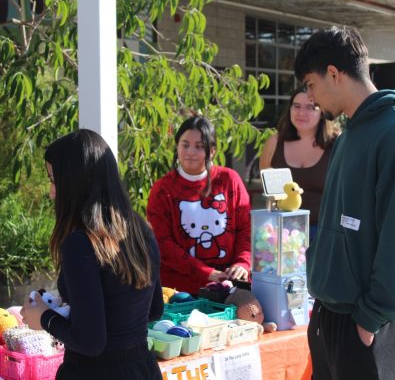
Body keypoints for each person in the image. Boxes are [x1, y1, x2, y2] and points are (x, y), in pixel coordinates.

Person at [294, 26, 395, 380]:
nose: (310, 98)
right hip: (332, 315)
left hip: (369, 323)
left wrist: (370, 320)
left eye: (311, 85)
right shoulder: (349, 136)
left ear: (333, 73)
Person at [21, 129, 163, 380]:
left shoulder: (80, 243)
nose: (52, 192)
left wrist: (43, 318)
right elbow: (153, 310)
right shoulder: (142, 230)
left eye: (54, 180)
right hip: (142, 368)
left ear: (75, 182)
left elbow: (90, 341)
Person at [146, 115, 251, 295]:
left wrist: (242, 263)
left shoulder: (230, 179)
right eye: (185, 145)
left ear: (212, 151)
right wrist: (207, 273)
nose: (190, 152)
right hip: (179, 290)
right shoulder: (162, 189)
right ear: (177, 146)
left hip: (230, 286)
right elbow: (162, 244)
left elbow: (246, 228)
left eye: (199, 146)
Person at [259, 84, 339, 238]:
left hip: (324, 234)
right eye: (296, 106)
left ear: (321, 111)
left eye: (310, 107)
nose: (302, 113)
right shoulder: (274, 143)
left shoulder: (336, 145)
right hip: (282, 233)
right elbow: (268, 192)